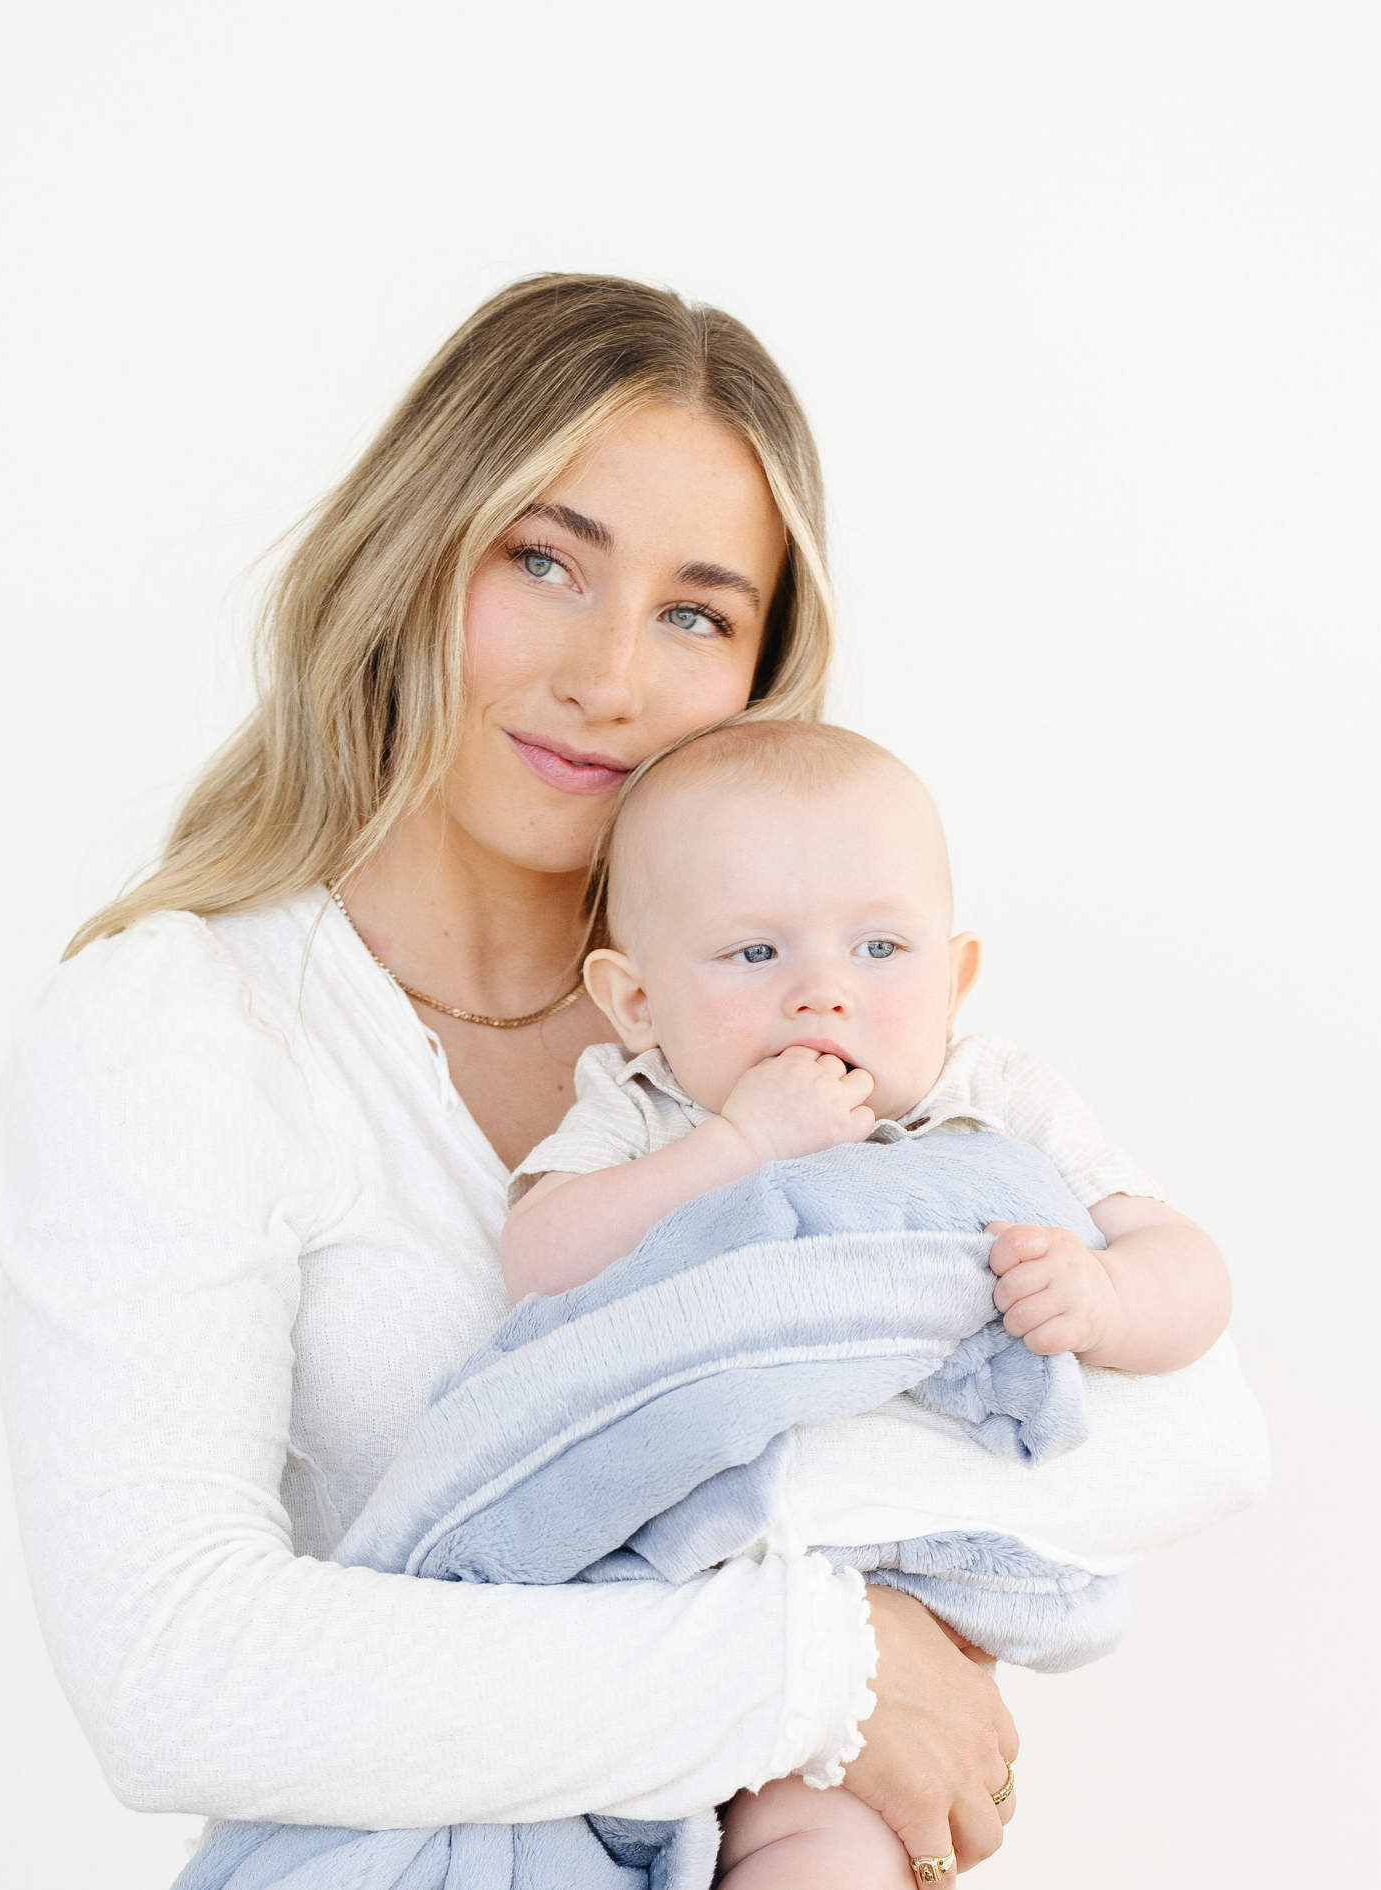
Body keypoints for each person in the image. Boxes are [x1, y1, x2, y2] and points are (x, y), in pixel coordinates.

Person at [0, 274, 1018, 1881]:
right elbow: (172, 1670)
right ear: (415, 554)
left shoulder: (805, 1008)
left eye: (695, 611)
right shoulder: (182, 1024)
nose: (607, 675)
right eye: (544, 561)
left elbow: (1192, 1430)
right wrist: (821, 1669)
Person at [497, 717, 1232, 1885]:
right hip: (663, 1603)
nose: (823, 996)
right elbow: (538, 1265)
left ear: (958, 975)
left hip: (890, 1612)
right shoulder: (646, 1107)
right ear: (636, 1002)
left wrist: (1100, 1294)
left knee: (824, 1845)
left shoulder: (991, 1094)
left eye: (881, 948)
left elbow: (1193, 1277)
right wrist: (734, 1149)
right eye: (752, 956)